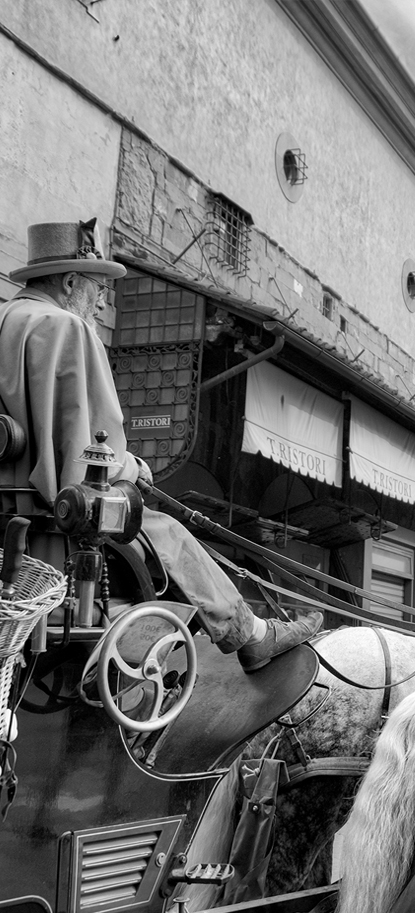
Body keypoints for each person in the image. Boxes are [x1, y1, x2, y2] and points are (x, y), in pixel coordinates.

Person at [0, 219, 322, 671]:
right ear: (70, 282)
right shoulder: (65, 328)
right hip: (59, 521)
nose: (102, 299)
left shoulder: (9, 319)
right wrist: (133, 468)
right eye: (97, 287)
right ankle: (250, 633)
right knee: (169, 532)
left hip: (13, 515)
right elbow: (90, 453)